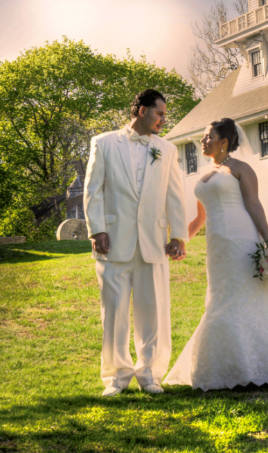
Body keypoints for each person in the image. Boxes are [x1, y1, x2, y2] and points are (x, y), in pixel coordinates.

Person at [165, 118, 268, 391]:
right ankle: (227, 365)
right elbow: (199, 218)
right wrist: (179, 241)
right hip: (217, 247)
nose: (202, 141)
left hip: (241, 241)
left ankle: (264, 363)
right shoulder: (205, 175)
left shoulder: (241, 169)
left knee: (246, 296)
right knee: (220, 297)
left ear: (224, 141)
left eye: (207, 136)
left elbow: (254, 204)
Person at [84, 88, 188, 397]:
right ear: (141, 111)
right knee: (114, 312)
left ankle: (150, 375)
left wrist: (178, 235)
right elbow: (93, 191)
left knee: (152, 310)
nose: (163, 120)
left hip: (153, 242)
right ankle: (116, 378)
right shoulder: (103, 143)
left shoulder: (167, 150)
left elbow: (175, 195)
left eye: (164, 115)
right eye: (159, 113)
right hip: (113, 241)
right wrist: (97, 229)